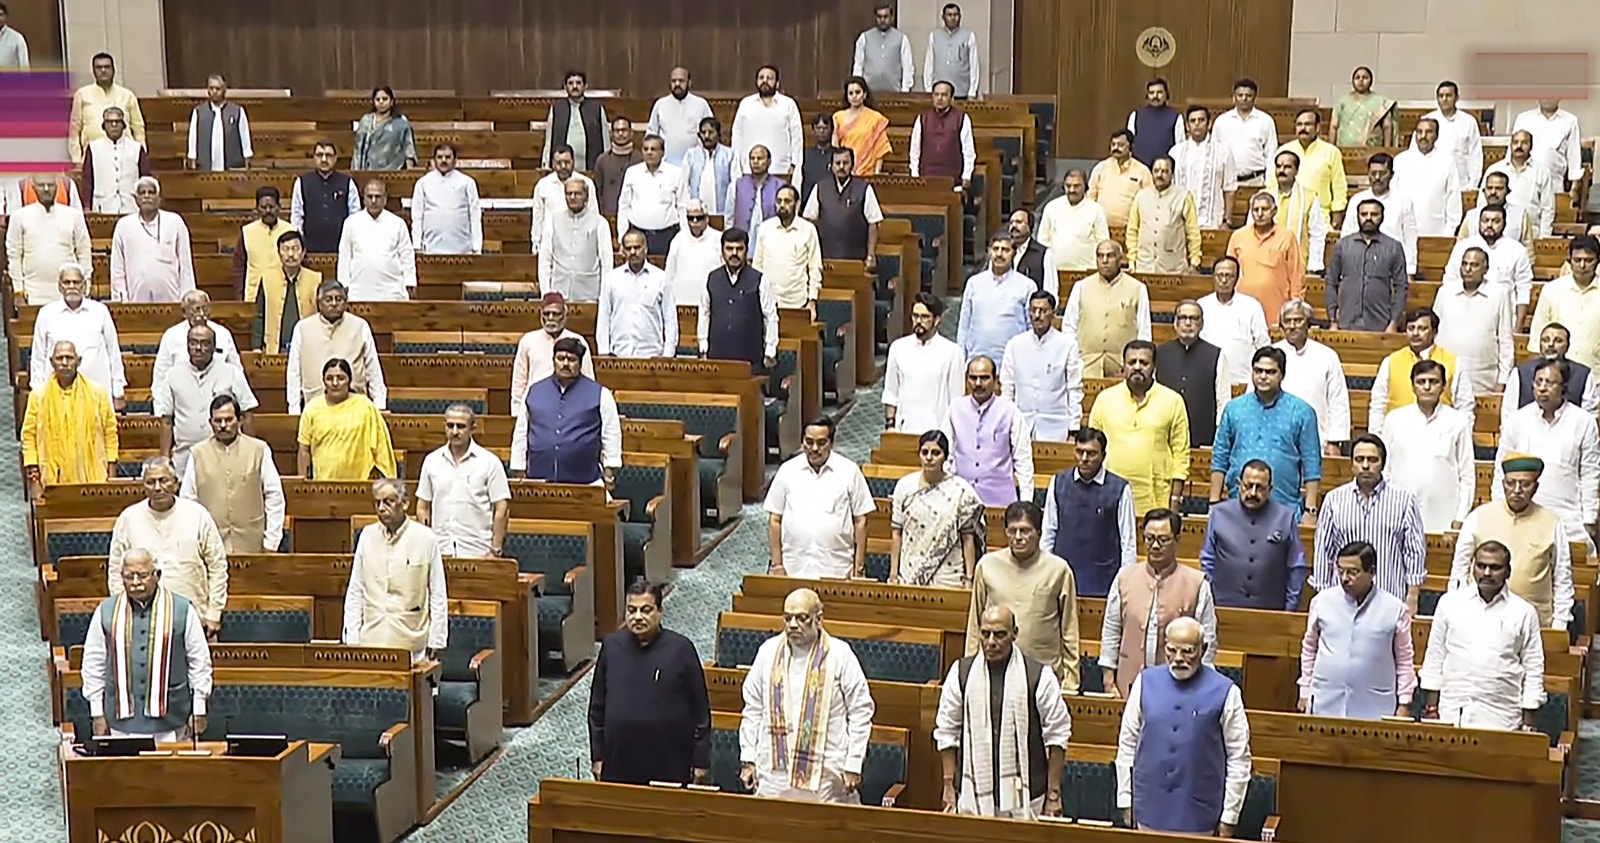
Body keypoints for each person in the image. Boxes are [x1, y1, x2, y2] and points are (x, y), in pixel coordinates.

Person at [1114, 617, 1250, 836]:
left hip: (1200, 816)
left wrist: (1229, 817)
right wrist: (1125, 798)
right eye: (1172, 650)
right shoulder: (1144, 682)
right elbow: (1127, 745)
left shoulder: (1226, 692)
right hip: (1149, 809)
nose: (1178, 659)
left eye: (1187, 651)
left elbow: (1239, 759)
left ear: (1203, 650)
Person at [739, 588, 875, 802]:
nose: (793, 625)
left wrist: (853, 764)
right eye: (788, 618)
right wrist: (748, 759)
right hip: (775, 774)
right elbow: (753, 708)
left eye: (802, 618)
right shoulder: (768, 652)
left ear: (819, 619)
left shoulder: (840, 654)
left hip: (826, 776)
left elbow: (861, 711)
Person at [937, 604, 1072, 819]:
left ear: (1015, 634)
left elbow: (1058, 736)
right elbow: (947, 732)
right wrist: (948, 785)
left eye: (1000, 635)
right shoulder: (960, 673)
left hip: (1029, 799)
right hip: (972, 797)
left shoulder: (1039, 676)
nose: (991, 642)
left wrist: (1053, 795)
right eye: (985, 634)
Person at [80, 549, 212, 742]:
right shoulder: (105, 611)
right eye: (128, 576)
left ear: (157, 575)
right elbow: (93, 664)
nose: (135, 583)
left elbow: (199, 662)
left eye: (142, 576)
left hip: (172, 718)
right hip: (120, 721)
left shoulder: (183, 610)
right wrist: (97, 713)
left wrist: (199, 709)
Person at [589, 581, 712, 785]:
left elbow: (701, 712)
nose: (638, 617)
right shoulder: (611, 647)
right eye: (632, 610)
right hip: (619, 761)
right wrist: (598, 756)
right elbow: (596, 709)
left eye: (646, 610)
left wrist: (700, 761)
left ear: (660, 612)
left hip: (669, 763)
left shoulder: (681, 649)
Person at [1419, 541, 1546, 731]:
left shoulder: (1524, 613)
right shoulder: (1450, 604)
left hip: (1503, 719)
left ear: (1508, 571)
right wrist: (1431, 709)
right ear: (1473, 567)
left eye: (1495, 567)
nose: (1487, 573)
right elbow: (1435, 657)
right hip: (1452, 713)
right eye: (1481, 566)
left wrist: (1528, 723)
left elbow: (1533, 668)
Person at [1101, 510, 1218, 698]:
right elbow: (1111, 631)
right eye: (1149, 538)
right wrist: (1109, 681)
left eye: (1163, 540)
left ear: (1178, 540)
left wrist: (1199, 689)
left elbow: (1208, 642)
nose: (1155, 545)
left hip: (1182, 689)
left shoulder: (1197, 584)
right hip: (1128, 686)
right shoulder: (1124, 578)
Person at [109, 457, 229, 639]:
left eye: (163, 480)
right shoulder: (128, 518)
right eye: (150, 482)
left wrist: (214, 613)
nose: (157, 488)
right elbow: (116, 570)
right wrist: (123, 612)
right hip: (142, 620)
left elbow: (217, 565)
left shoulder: (197, 515)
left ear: (176, 483)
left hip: (195, 616)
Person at [966, 501, 1080, 690]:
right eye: (1012, 531)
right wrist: (971, 669)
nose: (1018, 537)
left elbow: (1069, 629)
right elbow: (974, 624)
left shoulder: (1059, 569)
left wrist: (1071, 682)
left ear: (1039, 533)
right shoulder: (987, 565)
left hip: (1045, 675)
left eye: (1025, 531)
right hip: (995, 672)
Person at [1454, 454, 1574, 631]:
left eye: (1525, 484)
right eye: (1511, 483)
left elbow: (1563, 579)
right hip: (1481, 619)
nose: (1517, 490)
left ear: (1535, 487)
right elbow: (1459, 571)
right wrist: (1458, 612)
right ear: (1503, 484)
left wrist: (1559, 626)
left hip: (1535, 624)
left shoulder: (1552, 523)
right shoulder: (1479, 517)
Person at [1297, 540, 1415, 719]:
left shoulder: (1395, 609)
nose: (1345, 578)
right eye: (1340, 570)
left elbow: (1404, 660)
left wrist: (1404, 703)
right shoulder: (1322, 602)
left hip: (1375, 707)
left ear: (1372, 572)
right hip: (1325, 703)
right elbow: (1309, 648)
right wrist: (1305, 691)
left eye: (1353, 572)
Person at [1310, 435, 1426, 614]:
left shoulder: (1404, 500)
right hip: (1342, 602)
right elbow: (1324, 552)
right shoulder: (1334, 500)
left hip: (1390, 599)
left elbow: (1414, 551)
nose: (1365, 465)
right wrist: (1324, 597)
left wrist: (1412, 597)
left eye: (1372, 460)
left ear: (1382, 464)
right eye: (1359, 459)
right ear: (1351, 463)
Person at [1495, 358, 1600, 550]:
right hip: (1523, 514)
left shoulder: (1583, 422)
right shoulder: (1517, 420)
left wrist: (1589, 518)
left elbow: (1590, 472)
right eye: (1538, 382)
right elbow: (1501, 467)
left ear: (1564, 387)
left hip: (1568, 517)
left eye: (1549, 383)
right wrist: (1498, 509)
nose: (1542, 388)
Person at [343, 479, 448, 662]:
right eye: (377, 503)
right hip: (370, 641)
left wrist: (436, 640)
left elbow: (437, 593)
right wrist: (352, 639)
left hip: (411, 644)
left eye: (388, 502)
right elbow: (356, 590)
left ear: (405, 503)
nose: (381, 508)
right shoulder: (367, 535)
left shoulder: (426, 538)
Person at [1088, 341, 1191, 517]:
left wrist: (1175, 501)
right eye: (1131, 362)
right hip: (1109, 496)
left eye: (1143, 363)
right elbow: (1091, 448)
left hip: (1155, 498)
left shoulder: (1173, 401)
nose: (1137, 367)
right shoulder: (1104, 400)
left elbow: (1181, 456)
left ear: (1154, 367)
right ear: (1124, 366)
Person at [764, 417, 875, 579]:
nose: (814, 448)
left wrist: (858, 567)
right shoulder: (787, 471)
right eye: (809, 442)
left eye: (821, 443)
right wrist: (777, 564)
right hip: (793, 568)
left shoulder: (849, 471)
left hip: (837, 568)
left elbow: (861, 521)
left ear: (832, 442)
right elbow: (775, 519)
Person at [180, 395, 285, 556]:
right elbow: (188, 501)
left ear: (240, 420)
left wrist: (271, 542)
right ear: (210, 422)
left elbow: (274, 497)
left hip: (253, 545)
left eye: (228, 420)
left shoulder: (259, 450)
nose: (223, 426)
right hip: (210, 548)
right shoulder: (197, 453)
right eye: (218, 421)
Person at [510, 338, 622, 488]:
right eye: (560, 358)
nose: (565, 364)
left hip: (586, 483)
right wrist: (519, 468)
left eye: (571, 360)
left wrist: (609, 470)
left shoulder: (601, 394)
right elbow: (521, 432)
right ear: (553, 360)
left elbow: (611, 434)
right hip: (538, 481)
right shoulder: (534, 391)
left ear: (580, 363)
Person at [1041, 427, 1136, 598]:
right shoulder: (1058, 482)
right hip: (1062, 579)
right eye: (1080, 452)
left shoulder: (1120, 488)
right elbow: (1049, 532)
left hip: (1105, 582)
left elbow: (1128, 542)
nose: (1084, 459)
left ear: (1103, 456)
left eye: (1091, 454)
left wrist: (1124, 584)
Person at [154, 324, 259, 478]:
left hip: (226, 455)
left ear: (214, 347)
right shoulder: (173, 375)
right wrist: (165, 458)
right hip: (185, 457)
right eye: (193, 343)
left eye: (205, 343)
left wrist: (251, 452)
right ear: (187, 345)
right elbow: (167, 421)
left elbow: (247, 414)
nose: (198, 348)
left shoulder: (231, 372)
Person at [1382, 360, 1475, 532]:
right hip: (1398, 514)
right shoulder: (1394, 420)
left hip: (1444, 516)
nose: (1427, 387)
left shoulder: (1458, 421)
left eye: (1433, 382)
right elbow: (1385, 470)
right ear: (1412, 386)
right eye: (1421, 381)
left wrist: (1460, 517)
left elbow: (1467, 474)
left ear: (1443, 386)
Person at [1201, 460, 1307, 611]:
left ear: (1270, 489)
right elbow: (1207, 561)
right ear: (1239, 484)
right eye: (1248, 486)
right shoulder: (1219, 514)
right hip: (1223, 608)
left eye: (1260, 488)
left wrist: (1289, 609)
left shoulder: (1286, 517)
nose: (1252, 493)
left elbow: (1296, 566)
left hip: (1271, 611)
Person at [21, 341, 119, 499]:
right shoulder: (38, 396)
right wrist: (34, 478)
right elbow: (29, 437)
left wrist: (111, 473)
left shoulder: (97, 393)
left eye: (69, 358)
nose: (64, 363)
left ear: (78, 361)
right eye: (59, 358)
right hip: (52, 480)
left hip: (93, 476)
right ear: (52, 362)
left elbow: (110, 434)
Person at [416, 405, 511, 559]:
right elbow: (422, 507)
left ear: (473, 428)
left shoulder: (490, 462)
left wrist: (495, 550)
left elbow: (502, 509)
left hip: (478, 550)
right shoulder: (431, 461)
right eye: (450, 426)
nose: (454, 431)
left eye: (460, 426)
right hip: (439, 551)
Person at [890, 431, 983, 588]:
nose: (929, 458)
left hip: (949, 576)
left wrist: (969, 578)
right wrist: (893, 574)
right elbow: (896, 533)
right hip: (911, 572)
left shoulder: (961, 491)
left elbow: (968, 538)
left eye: (936, 453)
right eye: (924, 452)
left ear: (945, 457)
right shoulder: (904, 487)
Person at [941, 357, 1035, 507]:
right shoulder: (955, 409)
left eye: (984, 378)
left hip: (1000, 503)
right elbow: (945, 456)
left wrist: (1025, 505)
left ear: (995, 380)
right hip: (960, 502)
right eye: (973, 378)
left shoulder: (1010, 411)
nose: (978, 383)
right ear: (967, 380)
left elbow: (1023, 462)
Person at [1368, 307, 1475, 437]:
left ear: (1434, 332)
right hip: (1398, 436)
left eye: (1422, 328)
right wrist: (1377, 440)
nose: (1415, 333)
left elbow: (1464, 407)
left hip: (1442, 438)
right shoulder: (1390, 362)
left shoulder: (1453, 363)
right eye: (1411, 328)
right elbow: (1378, 404)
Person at [286, 279, 386, 414]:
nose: (334, 304)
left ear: (345, 302)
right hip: (315, 408)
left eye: (339, 299)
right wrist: (294, 410)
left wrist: (379, 405)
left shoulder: (360, 326)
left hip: (354, 408)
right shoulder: (302, 328)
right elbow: (294, 373)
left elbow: (373, 370)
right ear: (319, 303)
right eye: (328, 299)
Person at [29, 266, 125, 407]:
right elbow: (38, 358)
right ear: (59, 286)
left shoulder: (100, 312)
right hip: (58, 396)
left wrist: (118, 390)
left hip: (96, 394)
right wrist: (37, 393)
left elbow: (113, 353)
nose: (72, 286)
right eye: (67, 282)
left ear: (84, 285)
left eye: (76, 282)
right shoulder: (46, 314)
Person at [1062, 240, 1153, 378]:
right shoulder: (1081, 287)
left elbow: (1144, 330)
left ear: (1120, 259)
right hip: (1086, 364)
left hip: (1122, 367)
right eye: (1100, 256)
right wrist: (1075, 360)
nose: (1104, 260)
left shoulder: (1138, 288)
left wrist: (1135, 364)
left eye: (1110, 256)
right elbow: (1069, 326)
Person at [1002, 290, 1084, 442]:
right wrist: (1007, 422)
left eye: (1043, 311)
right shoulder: (1015, 344)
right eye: (1033, 311)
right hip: (1021, 424)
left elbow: (1074, 389)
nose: (1037, 316)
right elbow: (1008, 387)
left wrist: (1074, 428)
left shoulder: (1067, 345)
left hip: (1056, 425)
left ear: (1053, 313)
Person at [296, 358, 397, 481]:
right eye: (329, 378)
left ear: (349, 381)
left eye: (340, 378)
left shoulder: (365, 406)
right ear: (323, 381)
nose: (335, 383)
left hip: (361, 485)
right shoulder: (312, 409)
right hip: (323, 485)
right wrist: (303, 482)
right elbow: (304, 450)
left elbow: (381, 448)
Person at [1434, 246, 1515, 395]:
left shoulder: (1499, 294)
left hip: (1484, 378)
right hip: (1445, 374)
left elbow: (1506, 340)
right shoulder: (1445, 292)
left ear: (1486, 269)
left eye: (1474, 265)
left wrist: (1503, 380)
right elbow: (1434, 332)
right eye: (1464, 264)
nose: (1468, 269)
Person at [1274, 300, 1351, 455]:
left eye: (1298, 320)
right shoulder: (1270, 354)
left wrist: (1334, 441)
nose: (1292, 326)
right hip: (1275, 440)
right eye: (1287, 321)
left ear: (1308, 323)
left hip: (1317, 440)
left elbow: (1337, 401)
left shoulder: (1327, 356)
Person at [697, 228, 778, 373]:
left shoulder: (760, 279)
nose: (734, 253)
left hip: (751, 361)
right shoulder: (711, 278)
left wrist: (770, 349)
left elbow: (770, 316)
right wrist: (703, 346)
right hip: (717, 359)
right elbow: (704, 313)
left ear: (746, 250)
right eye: (729, 248)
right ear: (722, 251)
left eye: (739, 249)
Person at [883, 292, 966, 434]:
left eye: (925, 317)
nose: (919, 321)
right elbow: (891, 392)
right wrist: (890, 426)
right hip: (904, 430)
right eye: (915, 316)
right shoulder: (898, 348)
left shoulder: (952, 352)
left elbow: (957, 400)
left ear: (937, 320)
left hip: (938, 432)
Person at [5, 175, 93, 305]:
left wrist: (86, 283)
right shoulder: (19, 217)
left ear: (57, 186)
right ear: (34, 188)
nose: (46, 189)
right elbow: (14, 256)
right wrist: (18, 291)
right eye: (41, 186)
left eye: (51, 185)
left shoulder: (73, 216)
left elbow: (84, 251)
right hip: (33, 292)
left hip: (68, 292)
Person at [1325, 200, 1409, 333]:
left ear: (1382, 217)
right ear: (1357, 216)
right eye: (1364, 214)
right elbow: (1331, 283)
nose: (1368, 218)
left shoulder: (1393, 247)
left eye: (1374, 214)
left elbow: (1401, 287)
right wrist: (1333, 321)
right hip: (1346, 322)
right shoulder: (1343, 246)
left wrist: (1393, 322)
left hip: (1381, 323)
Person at [1154, 299, 1229, 447]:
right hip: (1165, 435)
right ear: (1175, 323)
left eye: (1194, 318)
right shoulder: (1159, 353)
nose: (1188, 323)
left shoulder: (1216, 355)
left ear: (1201, 324)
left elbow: (1223, 400)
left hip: (1204, 436)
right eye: (1183, 318)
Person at [1442, 205, 1533, 325]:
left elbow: (1523, 290)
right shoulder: (1463, 247)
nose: (1489, 225)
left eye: (1495, 221)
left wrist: (1518, 326)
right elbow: (1450, 282)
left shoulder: (1517, 250)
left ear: (1505, 224)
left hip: (1503, 317)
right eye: (1485, 220)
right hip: (1464, 313)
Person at [110, 177, 195, 303]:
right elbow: (117, 268)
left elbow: (185, 265)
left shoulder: (175, 222)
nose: (146, 196)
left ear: (159, 198)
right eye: (142, 193)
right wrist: (121, 299)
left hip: (172, 299)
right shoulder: (124, 226)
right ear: (136, 199)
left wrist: (187, 297)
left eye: (151, 192)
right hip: (135, 301)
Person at [1502, 322, 1600, 430]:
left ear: (1567, 346)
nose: (1550, 344)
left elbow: (1590, 419)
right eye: (1545, 340)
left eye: (1558, 340)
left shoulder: (1583, 375)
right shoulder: (1520, 373)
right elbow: (1508, 415)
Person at [1226, 191, 1303, 325]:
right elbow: (1228, 272)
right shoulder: (1238, 236)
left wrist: (1294, 309)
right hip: (1242, 311)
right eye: (1255, 210)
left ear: (1274, 211)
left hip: (1276, 311)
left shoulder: (1287, 237)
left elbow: (1296, 276)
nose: (1260, 214)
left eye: (1264, 209)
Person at [597, 230, 677, 358]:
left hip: (652, 355)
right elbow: (604, 317)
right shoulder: (612, 278)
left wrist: (668, 355)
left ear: (646, 248)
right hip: (619, 354)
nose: (633, 252)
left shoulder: (661, 278)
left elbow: (670, 318)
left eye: (637, 247)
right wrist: (604, 352)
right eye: (628, 248)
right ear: (623, 251)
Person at [957, 234, 1033, 364]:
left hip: (1013, 362)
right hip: (976, 361)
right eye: (995, 249)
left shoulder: (1027, 286)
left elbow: (1031, 326)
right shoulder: (974, 283)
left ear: (1014, 253)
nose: (999, 254)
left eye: (1005, 250)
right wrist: (961, 357)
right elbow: (964, 324)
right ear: (989, 252)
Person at [1339, 153, 1419, 276]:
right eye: (1373, 173)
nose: (1377, 178)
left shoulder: (1403, 201)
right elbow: (1347, 235)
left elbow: (1410, 238)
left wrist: (1409, 270)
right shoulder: (1357, 200)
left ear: (1391, 175)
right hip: (1360, 265)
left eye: (1382, 174)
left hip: (1393, 265)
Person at [337, 180, 416, 301]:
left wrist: (410, 282)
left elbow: (407, 256)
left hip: (392, 291)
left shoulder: (397, 223)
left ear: (385, 199)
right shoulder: (351, 223)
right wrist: (343, 284)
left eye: (378, 197)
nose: (373, 201)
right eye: (370, 197)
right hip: (358, 291)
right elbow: (345, 256)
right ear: (364, 199)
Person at [802, 146, 883, 264]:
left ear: (852, 165)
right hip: (825, 258)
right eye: (837, 163)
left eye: (845, 163)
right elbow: (809, 220)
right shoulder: (820, 188)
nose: (841, 167)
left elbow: (873, 223)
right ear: (831, 166)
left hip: (857, 258)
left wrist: (871, 255)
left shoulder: (864, 189)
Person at [538, 178, 614, 303]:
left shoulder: (600, 223)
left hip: (590, 295)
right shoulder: (553, 221)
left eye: (577, 193)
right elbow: (545, 259)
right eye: (569, 193)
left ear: (586, 196)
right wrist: (546, 293)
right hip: (559, 294)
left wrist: (604, 296)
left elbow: (606, 263)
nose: (573, 197)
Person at [1529, 236, 1600, 369]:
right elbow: (1537, 335)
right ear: (1569, 261)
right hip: (1557, 374)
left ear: (1597, 261)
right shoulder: (1552, 290)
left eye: (1588, 260)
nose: (1582, 266)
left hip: (1596, 374)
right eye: (1577, 260)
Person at [1196, 257, 1267, 385]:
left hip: (1242, 380)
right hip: (1207, 379)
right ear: (1213, 277)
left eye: (1229, 276)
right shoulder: (1201, 305)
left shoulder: (1251, 306)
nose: (1224, 280)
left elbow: (1263, 345)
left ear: (1237, 278)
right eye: (1220, 275)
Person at [1125, 155, 1201, 274]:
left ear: (1172, 174)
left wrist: (1194, 262)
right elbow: (1132, 231)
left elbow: (1193, 233)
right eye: (1156, 171)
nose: (1160, 175)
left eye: (1165, 171)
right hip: (1144, 266)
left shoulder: (1183, 197)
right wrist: (1132, 261)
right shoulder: (1141, 196)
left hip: (1173, 268)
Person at [753, 184, 824, 310]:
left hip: (797, 302)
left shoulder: (808, 230)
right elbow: (757, 265)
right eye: (779, 201)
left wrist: (812, 300)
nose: (782, 205)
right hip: (767, 302)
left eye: (787, 201)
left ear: (797, 204)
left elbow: (814, 267)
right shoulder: (765, 228)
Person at [731, 66, 805, 185]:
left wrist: (794, 165)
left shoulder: (788, 104)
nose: (765, 81)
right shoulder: (746, 104)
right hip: (749, 170)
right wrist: (738, 166)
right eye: (761, 78)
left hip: (781, 169)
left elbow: (796, 138)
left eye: (769, 78)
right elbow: (737, 136)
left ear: (777, 83)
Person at [68, 53, 146, 166]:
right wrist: (77, 160)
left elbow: (138, 129)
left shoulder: (127, 95)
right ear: (93, 71)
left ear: (114, 70)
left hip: (125, 156)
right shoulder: (82, 95)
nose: (103, 70)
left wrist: (141, 157)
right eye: (99, 67)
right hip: (93, 157)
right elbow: (74, 131)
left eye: (107, 67)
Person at [252, 230, 320, 354]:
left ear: (303, 252)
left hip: (309, 348)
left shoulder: (315, 279)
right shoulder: (267, 279)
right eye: (285, 249)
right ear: (279, 253)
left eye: (295, 249)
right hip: (277, 348)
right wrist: (256, 346)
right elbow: (260, 315)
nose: (290, 254)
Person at [1278, 108, 1349, 226]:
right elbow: (1272, 184)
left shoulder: (1331, 152)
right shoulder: (1284, 150)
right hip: (1286, 214)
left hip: (1320, 216)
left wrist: (1336, 219)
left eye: (1308, 124)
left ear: (1318, 128)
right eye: (1299, 124)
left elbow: (1339, 188)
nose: (1303, 128)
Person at [1170, 105, 1237, 229]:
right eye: (1193, 121)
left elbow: (1230, 189)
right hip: (1179, 222)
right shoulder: (1175, 152)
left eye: (1201, 120)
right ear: (1187, 125)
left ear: (1209, 123)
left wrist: (1226, 220)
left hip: (1213, 221)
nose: (1197, 124)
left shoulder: (1223, 151)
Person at [617, 135, 686, 255]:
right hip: (638, 234)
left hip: (667, 235)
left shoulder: (675, 173)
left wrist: (685, 238)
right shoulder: (632, 173)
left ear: (662, 152)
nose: (649, 153)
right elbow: (624, 206)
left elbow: (683, 206)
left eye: (653, 149)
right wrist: (622, 237)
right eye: (646, 149)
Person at [1392, 118, 1462, 237]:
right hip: (1402, 234)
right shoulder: (1400, 161)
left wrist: (1446, 235)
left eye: (1428, 132)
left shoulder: (1447, 162)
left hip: (1436, 233)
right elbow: (1392, 198)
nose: (1423, 136)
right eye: (1419, 132)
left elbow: (1453, 201)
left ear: (1436, 136)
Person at [411, 143, 482, 255]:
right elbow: (417, 216)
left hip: (463, 249)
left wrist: (477, 247)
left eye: (448, 157)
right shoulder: (423, 183)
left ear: (455, 160)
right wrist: (416, 246)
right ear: (434, 160)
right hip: (430, 249)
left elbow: (475, 215)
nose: (443, 160)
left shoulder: (467, 183)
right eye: (439, 157)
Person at [1483, 130, 1556, 239]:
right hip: (1495, 231)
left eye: (1524, 143)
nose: (1519, 146)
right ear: (1510, 145)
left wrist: (1543, 238)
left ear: (1531, 146)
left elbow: (1548, 208)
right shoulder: (1495, 169)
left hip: (1531, 233)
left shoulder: (1541, 172)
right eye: (1515, 142)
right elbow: (1482, 202)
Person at [290, 140, 360, 253]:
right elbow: (297, 216)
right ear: (314, 157)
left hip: (342, 246)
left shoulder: (347, 182)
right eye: (319, 155)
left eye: (328, 155)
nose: (324, 159)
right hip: (310, 247)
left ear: (335, 158)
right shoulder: (302, 182)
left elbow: (355, 215)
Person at [1267, 149, 1330, 273]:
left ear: (1296, 171)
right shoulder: (1263, 197)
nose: (1281, 171)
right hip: (1266, 264)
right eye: (1278, 166)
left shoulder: (1310, 198)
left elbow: (1317, 234)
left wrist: (1313, 265)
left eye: (1287, 167)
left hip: (1297, 265)